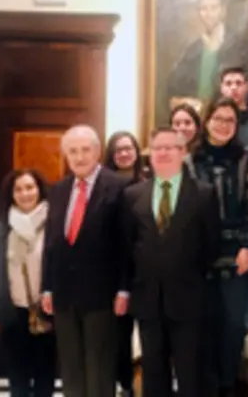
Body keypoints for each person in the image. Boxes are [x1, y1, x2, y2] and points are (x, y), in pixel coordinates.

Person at [121, 127, 221, 397]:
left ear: (182, 152)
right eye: (157, 148)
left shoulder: (203, 194)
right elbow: (128, 247)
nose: (163, 153)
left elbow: (211, 247)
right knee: (153, 373)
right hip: (148, 299)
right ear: (150, 154)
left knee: (190, 374)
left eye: (170, 147)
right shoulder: (133, 195)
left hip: (189, 298)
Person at [40, 125, 130, 397]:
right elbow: (51, 242)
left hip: (103, 294)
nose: (79, 157)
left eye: (85, 150)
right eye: (73, 151)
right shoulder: (59, 189)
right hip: (64, 294)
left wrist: (124, 289)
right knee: (71, 366)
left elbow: (127, 244)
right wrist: (47, 286)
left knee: (99, 367)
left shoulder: (120, 187)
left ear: (98, 151)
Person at [192, 98, 248, 396]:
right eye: (218, 119)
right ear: (207, 121)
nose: (223, 125)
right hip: (199, 253)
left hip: (236, 253)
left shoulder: (245, 159)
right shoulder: (191, 160)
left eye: (230, 121)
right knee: (205, 325)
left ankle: (227, 386)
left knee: (233, 325)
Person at [0, 169, 56, 397]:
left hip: (47, 308)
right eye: (18, 189)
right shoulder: (1, 228)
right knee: (17, 372)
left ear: (39, 190)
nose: (25, 193)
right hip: (13, 309)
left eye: (29, 187)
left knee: (45, 371)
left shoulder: (53, 223)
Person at [103, 131, 146, 396]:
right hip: (115, 269)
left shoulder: (149, 182)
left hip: (144, 268)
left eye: (128, 148)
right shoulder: (104, 187)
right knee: (120, 334)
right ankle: (125, 384)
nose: (124, 154)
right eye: (118, 150)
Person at [218, 66, 248, 151]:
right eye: (228, 84)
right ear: (221, 88)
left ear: (247, 87)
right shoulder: (214, 117)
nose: (234, 88)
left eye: (238, 83)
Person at [170, 103, 202, 177]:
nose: (182, 128)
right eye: (177, 124)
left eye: (187, 123)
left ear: (197, 127)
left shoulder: (205, 154)